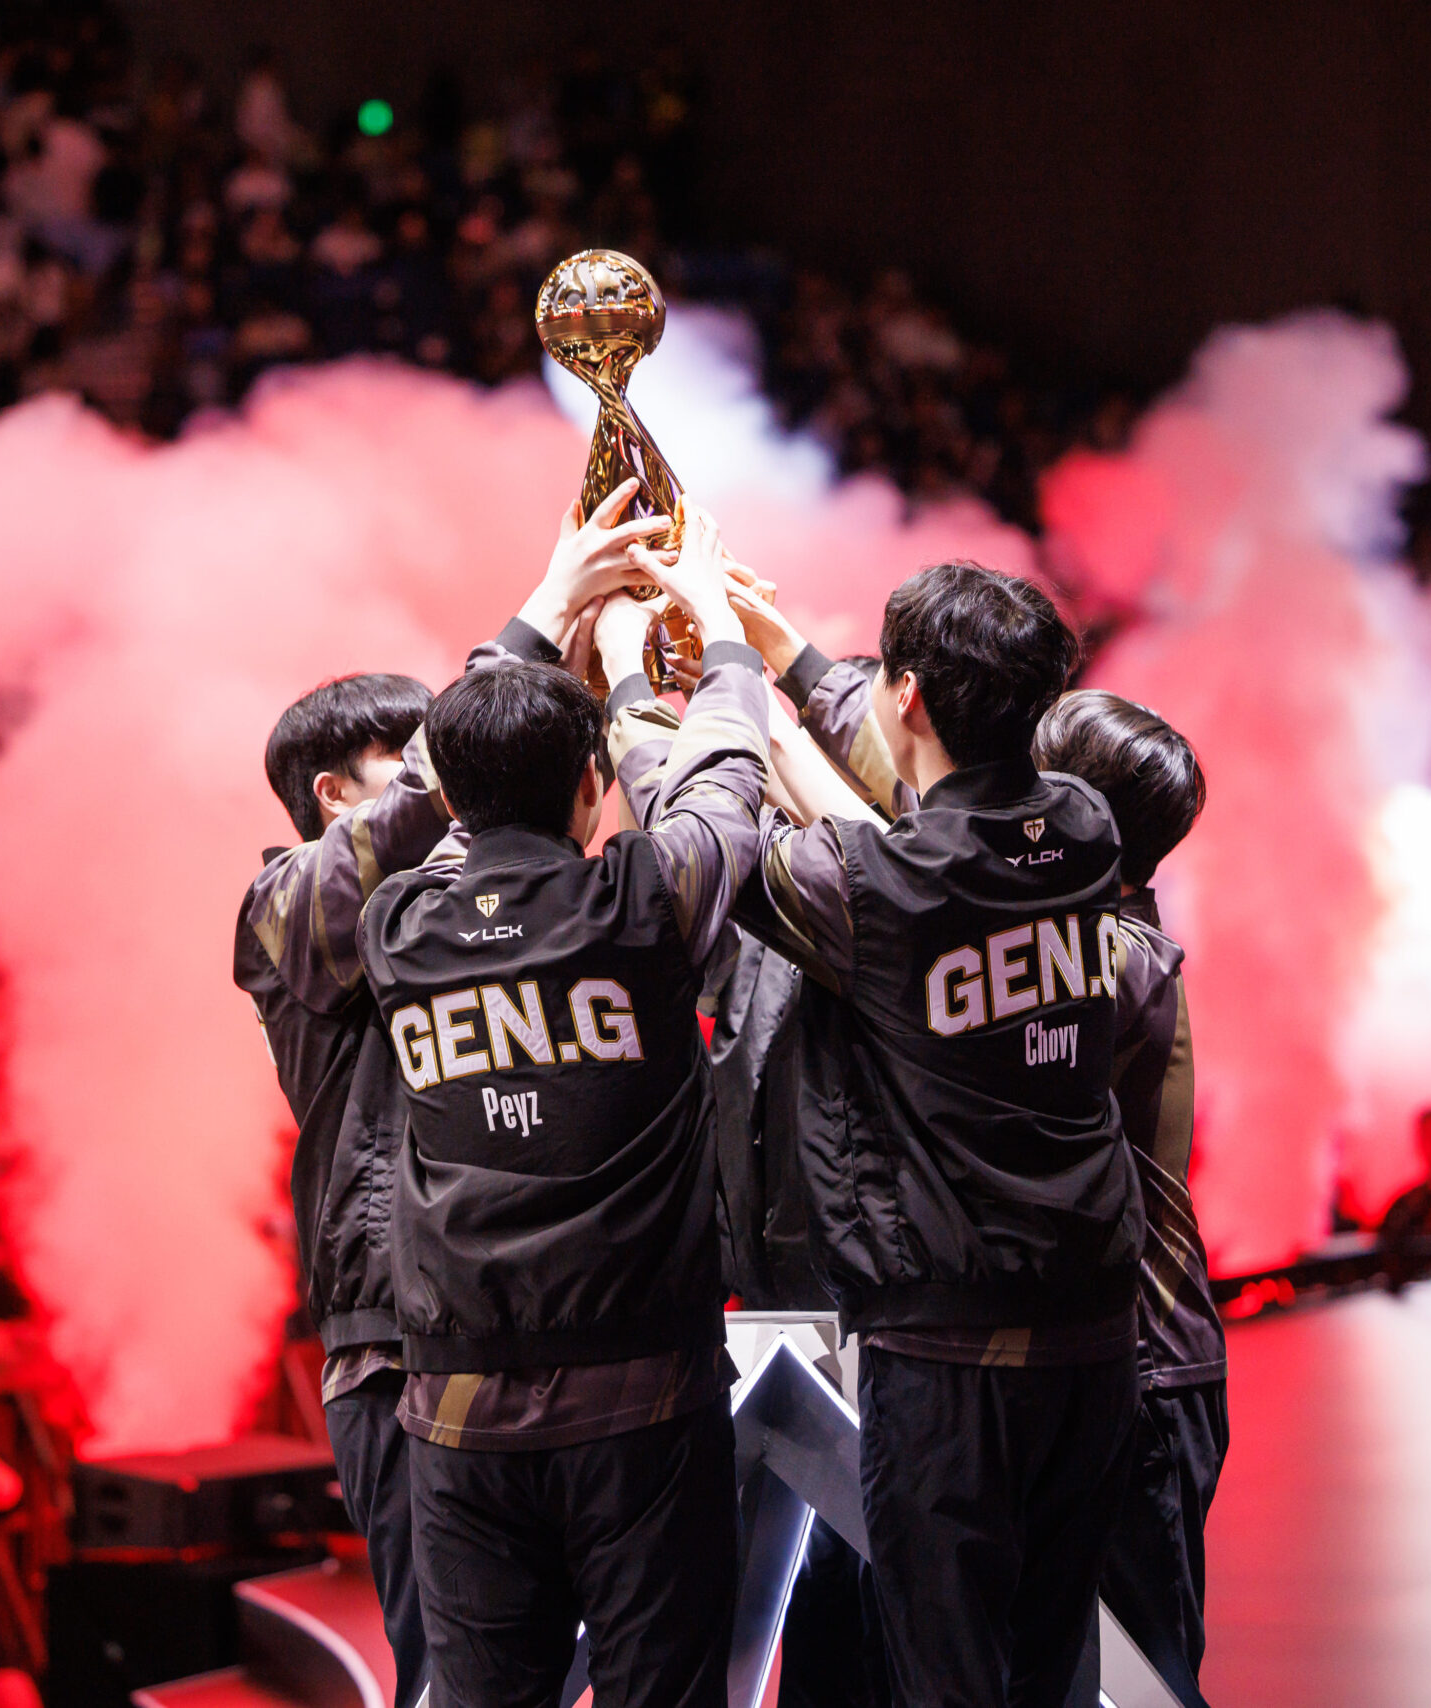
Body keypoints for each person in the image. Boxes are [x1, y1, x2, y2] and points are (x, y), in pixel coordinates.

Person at [235, 479, 670, 1708]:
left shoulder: (462, 907)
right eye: (414, 747)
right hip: (393, 1347)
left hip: (525, 1329)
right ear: (337, 795)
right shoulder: (291, 909)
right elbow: (441, 790)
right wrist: (542, 608)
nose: (452, 779)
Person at [360, 508, 764, 1708]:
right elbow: (727, 783)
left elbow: (443, 797)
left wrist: (543, 613)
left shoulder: (399, 928)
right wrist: (703, 648)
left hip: (456, 1407)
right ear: (594, 783)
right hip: (641, 1399)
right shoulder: (642, 897)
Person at [720, 561, 1140, 1708]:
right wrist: (789, 660)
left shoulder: (879, 889)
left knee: (944, 1681)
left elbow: (729, 833)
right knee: (1047, 1670)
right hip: (1094, 1337)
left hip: (952, 1360)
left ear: (905, 694)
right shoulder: (1086, 828)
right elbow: (890, 827)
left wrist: (716, 682)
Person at [1030, 689, 1224, 1708]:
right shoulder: (1093, 928)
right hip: (1125, 1367)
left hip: (1147, 1374)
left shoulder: (1109, 959)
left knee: (1146, 1687)